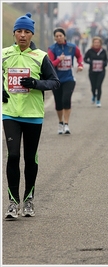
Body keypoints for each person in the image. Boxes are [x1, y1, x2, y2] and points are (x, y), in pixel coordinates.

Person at [2, 13, 60, 219]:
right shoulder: (4, 54)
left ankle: (28, 200)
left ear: (32, 34)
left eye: (27, 32)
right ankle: (12, 203)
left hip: (33, 115)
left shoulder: (41, 57)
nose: (23, 35)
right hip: (10, 114)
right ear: (14, 33)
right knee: (13, 155)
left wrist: (35, 84)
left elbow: (54, 82)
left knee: (29, 158)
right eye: (19, 31)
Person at [48, 27, 84, 135]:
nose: (59, 38)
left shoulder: (72, 47)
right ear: (54, 38)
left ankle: (67, 124)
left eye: (60, 36)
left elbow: (79, 56)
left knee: (66, 99)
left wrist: (80, 65)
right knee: (58, 103)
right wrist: (59, 60)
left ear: (64, 36)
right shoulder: (52, 49)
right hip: (56, 79)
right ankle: (60, 122)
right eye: (56, 36)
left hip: (69, 78)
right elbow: (50, 65)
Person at [84, 36, 108, 107]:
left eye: (98, 42)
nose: (96, 44)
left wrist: (104, 64)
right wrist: (90, 62)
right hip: (92, 72)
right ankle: (94, 95)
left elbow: (106, 60)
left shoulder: (103, 51)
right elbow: (85, 59)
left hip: (101, 72)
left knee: (99, 86)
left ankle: (98, 100)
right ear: (93, 43)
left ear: (100, 43)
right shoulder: (90, 51)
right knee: (93, 87)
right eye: (95, 42)